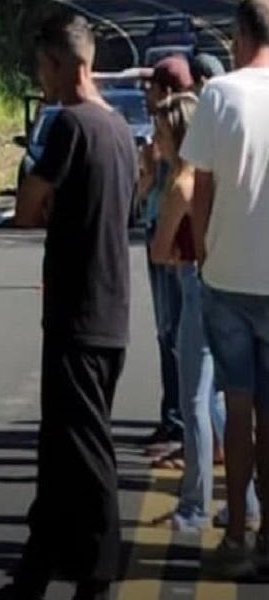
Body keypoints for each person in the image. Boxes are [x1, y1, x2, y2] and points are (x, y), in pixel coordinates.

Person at [0, 13, 136, 600]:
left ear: (63, 65)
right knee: (59, 457)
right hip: (107, 311)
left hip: (79, 316)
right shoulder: (121, 128)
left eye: (42, 69)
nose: (39, 82)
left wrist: (38, 150)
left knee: (88, 464)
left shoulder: (68, 124)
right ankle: (32, 580)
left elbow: (26, 209)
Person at [181, 0, 269, 579]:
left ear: (238, 37)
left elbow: (199, 187)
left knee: (236, 410)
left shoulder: (218, 94)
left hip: (228, 275)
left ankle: (236, 531)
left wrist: (203, 246)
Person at [149, 93, 216, 531]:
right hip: (222, 283)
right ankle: (246, 500)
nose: (156, 142)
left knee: (193, 398)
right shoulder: (214, 180)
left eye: (161, 134)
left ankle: (195, 504)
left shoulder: (179, 187)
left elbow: (158, 250)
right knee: (221, 398)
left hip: (191, 284)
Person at [138, 56, 194, 462]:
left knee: (173, 333)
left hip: (173, 244)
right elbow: (139, 198)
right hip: (162, 232)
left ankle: (180, 425)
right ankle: (174, 419)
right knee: (168, 333)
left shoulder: (175, 147)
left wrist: (151, 168)